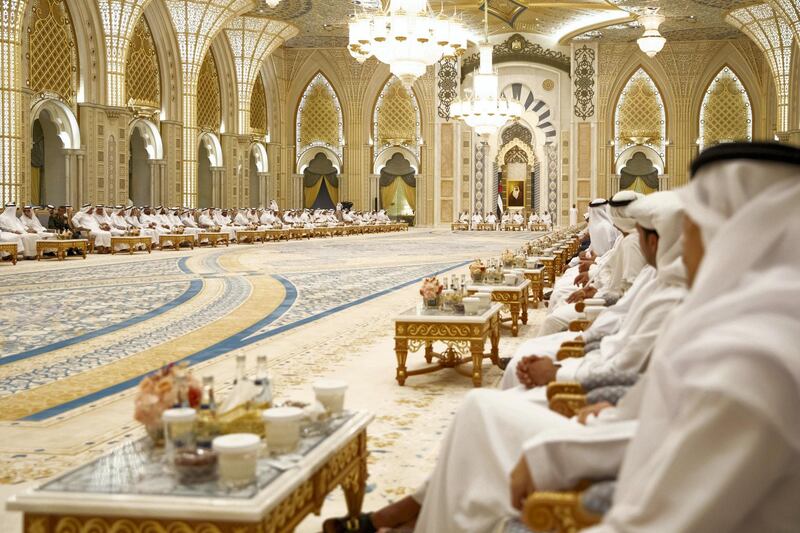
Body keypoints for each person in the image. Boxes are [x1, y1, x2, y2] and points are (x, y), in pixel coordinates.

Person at [583, 142, 800, 531]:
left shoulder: (756, 358)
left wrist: (550, 458)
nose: (684, 245)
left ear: (732, 236)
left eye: (692, 229)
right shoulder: (746, 323)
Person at [504, 191, 687, 393]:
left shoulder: (669, 290)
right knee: (529, 350)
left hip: (595, 368)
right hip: (600, 345)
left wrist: (559, 371)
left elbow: (630, 364)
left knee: (536, 343)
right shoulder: (655, 275)